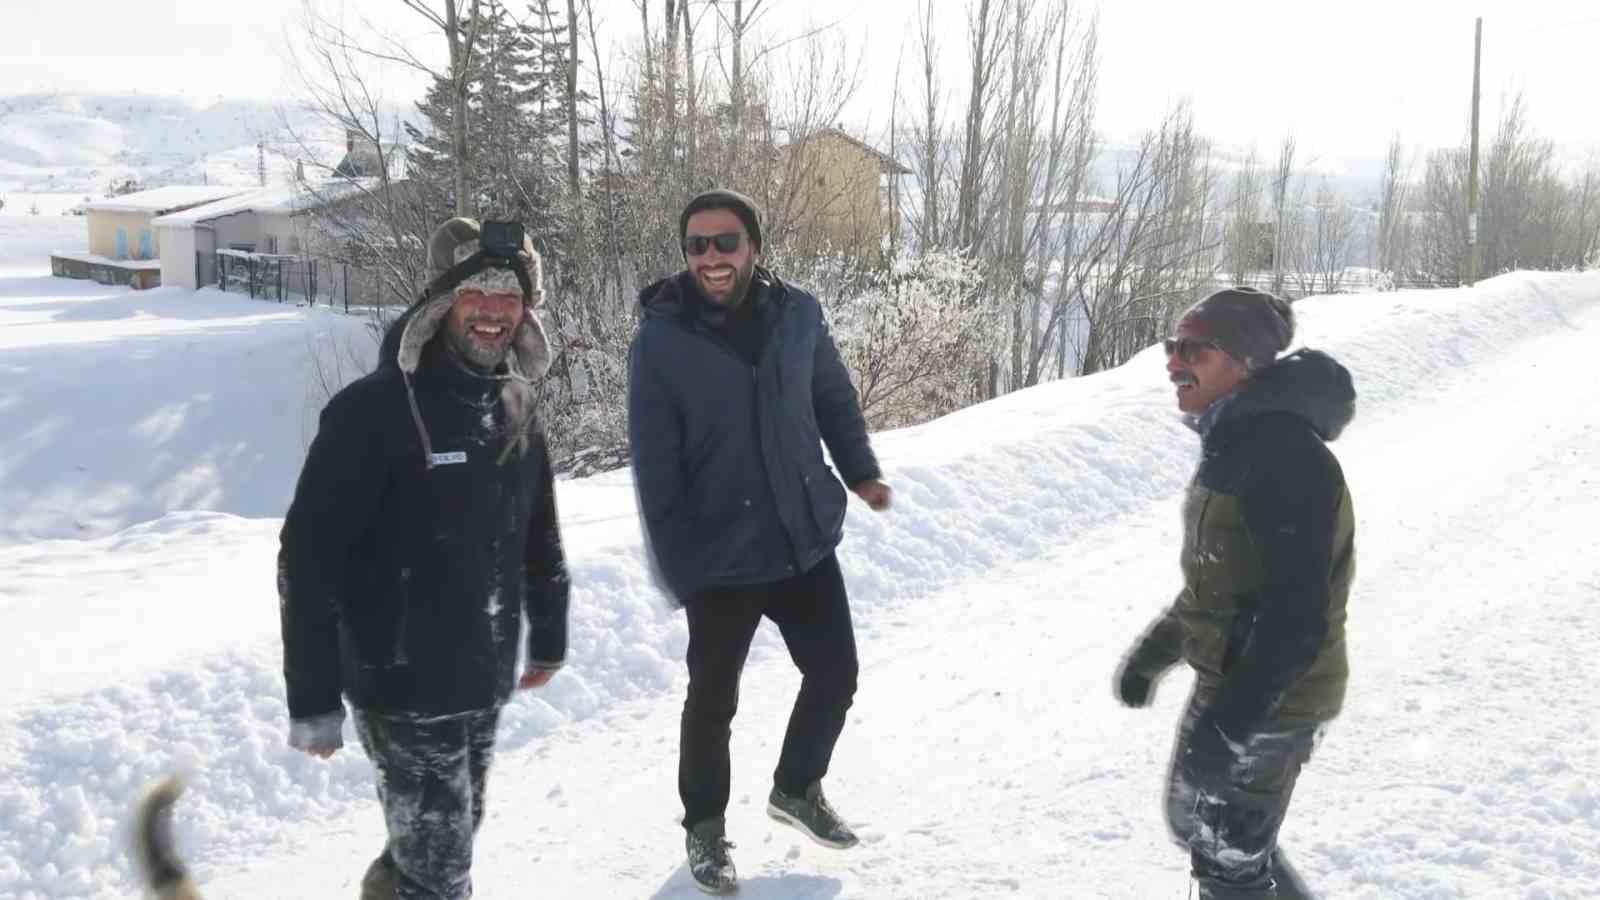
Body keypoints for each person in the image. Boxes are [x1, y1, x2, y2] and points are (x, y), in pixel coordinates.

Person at [278, 217, 570, 900]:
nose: (494, 311)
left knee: (445, 839)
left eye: (509, 296)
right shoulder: (371, 412)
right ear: (442, 302)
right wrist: (313, 696)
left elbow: (539, 531)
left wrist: (549, 632)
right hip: (401, 683)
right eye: (477, 294)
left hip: (483, 673)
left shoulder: (516, 401)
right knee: (441, 868)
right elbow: (308, 558)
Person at [627, 189, 893, 894]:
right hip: (720, 553)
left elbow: (833, 399)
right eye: (697, 245)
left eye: (726, 242)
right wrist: (681, 566)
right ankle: (704, 827)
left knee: (836, 673)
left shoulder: (798, 314)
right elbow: (654, 465)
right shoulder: (661, 339)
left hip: (801, 535)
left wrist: (861, 471)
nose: (711, 257)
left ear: (754, 247)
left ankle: (797, 786)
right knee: (713, 701)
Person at [1113, 286, 1356, 899]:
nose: (1174, 362)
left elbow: (1295, 621)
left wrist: (1231, 725)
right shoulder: (1233, 444)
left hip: (1276, 698)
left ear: (1244, 362)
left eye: (1194, 349)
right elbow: (1220, 582)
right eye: (1172, 347)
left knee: (1227, 863)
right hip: (1230, 681)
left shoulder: (1285, 460)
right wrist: (1154, 653)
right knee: (1195, 824)